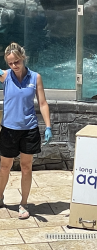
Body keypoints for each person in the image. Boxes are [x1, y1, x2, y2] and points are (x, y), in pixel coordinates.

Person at [0, 42, 52, 219]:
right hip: (8, 130)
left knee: (26, 167)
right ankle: (0, 196)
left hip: (29, 129)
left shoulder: (35, 77)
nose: (14, 66)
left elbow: (43, 103)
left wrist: (49, 126)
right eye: (10, 63)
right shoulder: (5, 76)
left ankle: (23, 203)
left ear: (23, 58)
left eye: (17, 62)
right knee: (4, 166)